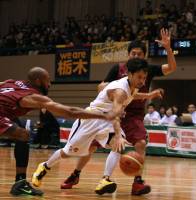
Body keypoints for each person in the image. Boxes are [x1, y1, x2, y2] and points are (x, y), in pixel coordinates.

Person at [60, 28, 177, 196]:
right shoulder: (119, 69)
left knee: (140, 144)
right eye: (133, 53)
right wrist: (115, 89)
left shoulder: (148, 70)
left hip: (133, 116)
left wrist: (167, 48)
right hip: (112, 113)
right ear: (128, 55)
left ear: (144, 56)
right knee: (90, 147)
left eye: (139, 54)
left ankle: (137, 182)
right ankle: (75, 174)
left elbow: (172, 67)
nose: (136, 56)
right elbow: (100, 86)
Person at [32, 58, 163, 191]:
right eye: (139, 77)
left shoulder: (131, 86)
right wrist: (118, 134)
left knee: (118, 146)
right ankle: (44, 166)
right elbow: (116, 114)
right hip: (90, 119)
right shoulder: (120, 91)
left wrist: (149, 95)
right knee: (68, 152)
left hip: (105, 121)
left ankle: (105, 180)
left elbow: (134, 95)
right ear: (129, 74)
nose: (142, 81)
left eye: (144, 78)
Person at [0, 67, 115, 196]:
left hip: (4, 112)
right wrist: (103, 116)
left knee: (19, 128)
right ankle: (20, 183)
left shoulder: (12, 83)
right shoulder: (33, 96)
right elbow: (70, 112)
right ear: (38, 81)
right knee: (23, 135)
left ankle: (20, 183)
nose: (50, 84)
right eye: (47, 81)